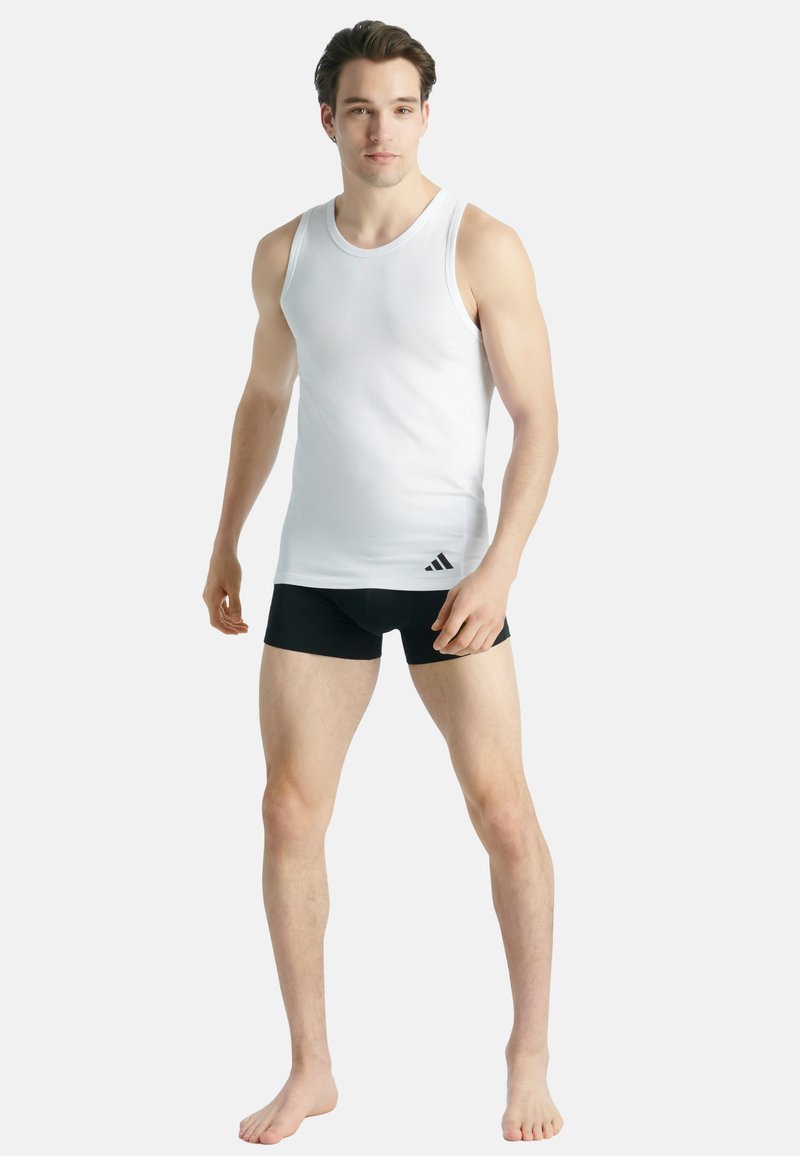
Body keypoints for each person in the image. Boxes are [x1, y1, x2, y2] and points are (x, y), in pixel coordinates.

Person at [202, 19, 563, 1145]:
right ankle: (311, 1068)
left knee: (502, 811)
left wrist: (500, 567)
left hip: (450, 577)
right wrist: (224, 540)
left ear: (425, 116)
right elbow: (265, 400)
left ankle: (528, 1054)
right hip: (316, 571)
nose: (382, 130)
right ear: (328, 119)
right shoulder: (285, 252)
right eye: (360, 109)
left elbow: (538, 420)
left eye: (402, 108)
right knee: (286, 812)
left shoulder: (479, 242)